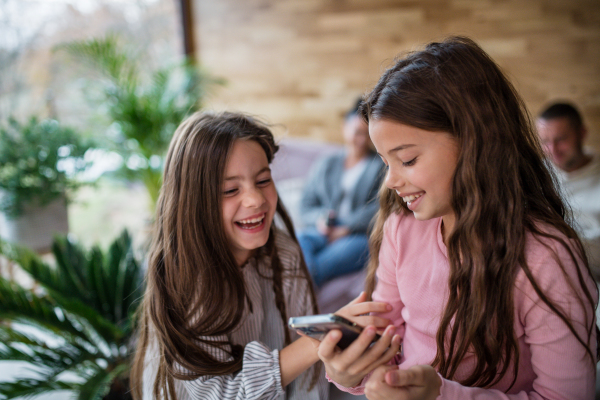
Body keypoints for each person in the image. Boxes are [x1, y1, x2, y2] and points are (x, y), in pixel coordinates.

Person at [317, 37, 598, 399]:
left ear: (474, 142)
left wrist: (442, 395)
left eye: (408, 160)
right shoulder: (400, 229)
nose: (390, 181)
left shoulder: (545, 256)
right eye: (385, 162)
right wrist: (352, 371)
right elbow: (387, 353)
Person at [129, 111, 397, 400]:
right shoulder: (187, 278)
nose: (255, 199)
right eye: (230, 189)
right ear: (193, 201)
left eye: (263, 180)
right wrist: (318, 341)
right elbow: (221, 394)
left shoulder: (284, 254)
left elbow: (309, 382)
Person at [298, 100, 385, 287]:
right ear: (345, 127)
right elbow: (306, 204)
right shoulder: (326, 163)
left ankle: (299, 292)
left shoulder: (379, 165)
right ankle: (302, 294)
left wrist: (347, 228)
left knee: (319, 266)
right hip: (324, 229)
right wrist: (321, 220)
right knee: (300, 239)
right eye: (357, 132)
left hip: (358, 235)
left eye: (367, 134)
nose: (362, 140)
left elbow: (381, 206)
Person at [536, 102, 600, 280]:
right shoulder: (537, 174)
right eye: (545, 142)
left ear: (582, 134)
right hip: (543, 273)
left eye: (561, 139)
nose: (553, 150)